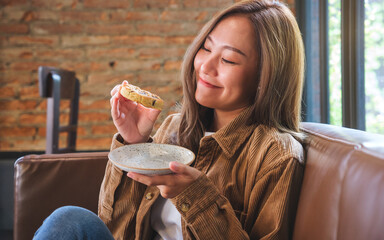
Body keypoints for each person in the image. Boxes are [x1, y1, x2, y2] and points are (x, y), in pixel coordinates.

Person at [33, 0, 305, 239]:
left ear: (265, 78)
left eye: (229, 60)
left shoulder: (276, 155)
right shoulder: (175, 128)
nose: (205, 67)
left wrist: (197, 194)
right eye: (206, 49)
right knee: (70, 220)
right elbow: (115, 229)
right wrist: (134, 144)